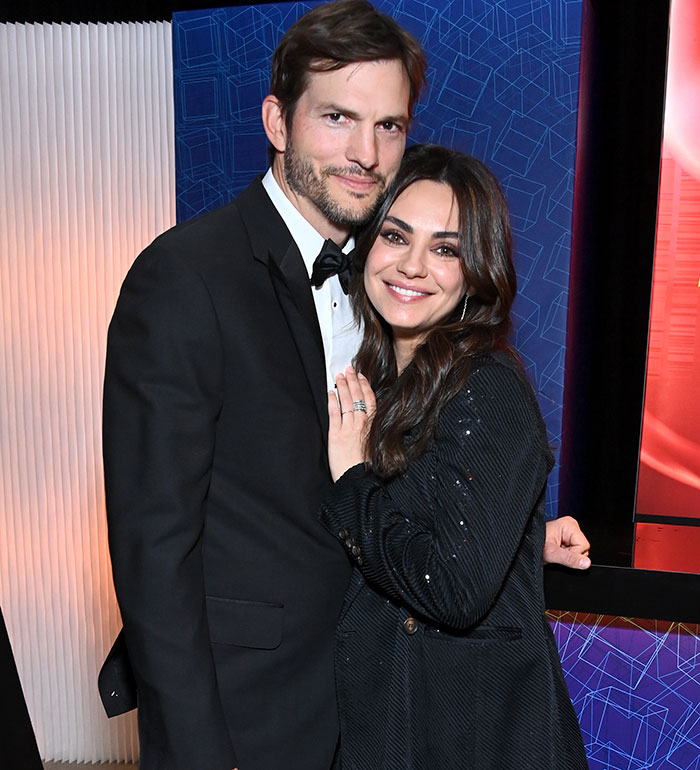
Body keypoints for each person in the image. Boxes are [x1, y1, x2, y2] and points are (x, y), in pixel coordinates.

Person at [100, 3, 590, 770]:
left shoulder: (387, 278)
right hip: (246, 717)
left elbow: (420, 452)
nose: (366, 152)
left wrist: (515, 530)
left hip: (373, 710)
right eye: (337, 117)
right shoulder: (186, 279)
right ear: (277, 121)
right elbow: (151, 553)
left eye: (389, 126)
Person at [321, 143, 589, 768]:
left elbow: (455, 591)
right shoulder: (380, 381)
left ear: (477, 273)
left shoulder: (487, 384)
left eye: (446, 249)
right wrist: (522, 537)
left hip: (468, 735)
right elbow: (444, 516)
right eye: (395, 236)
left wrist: (353, 480)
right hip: (393, 722)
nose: (412, 266)